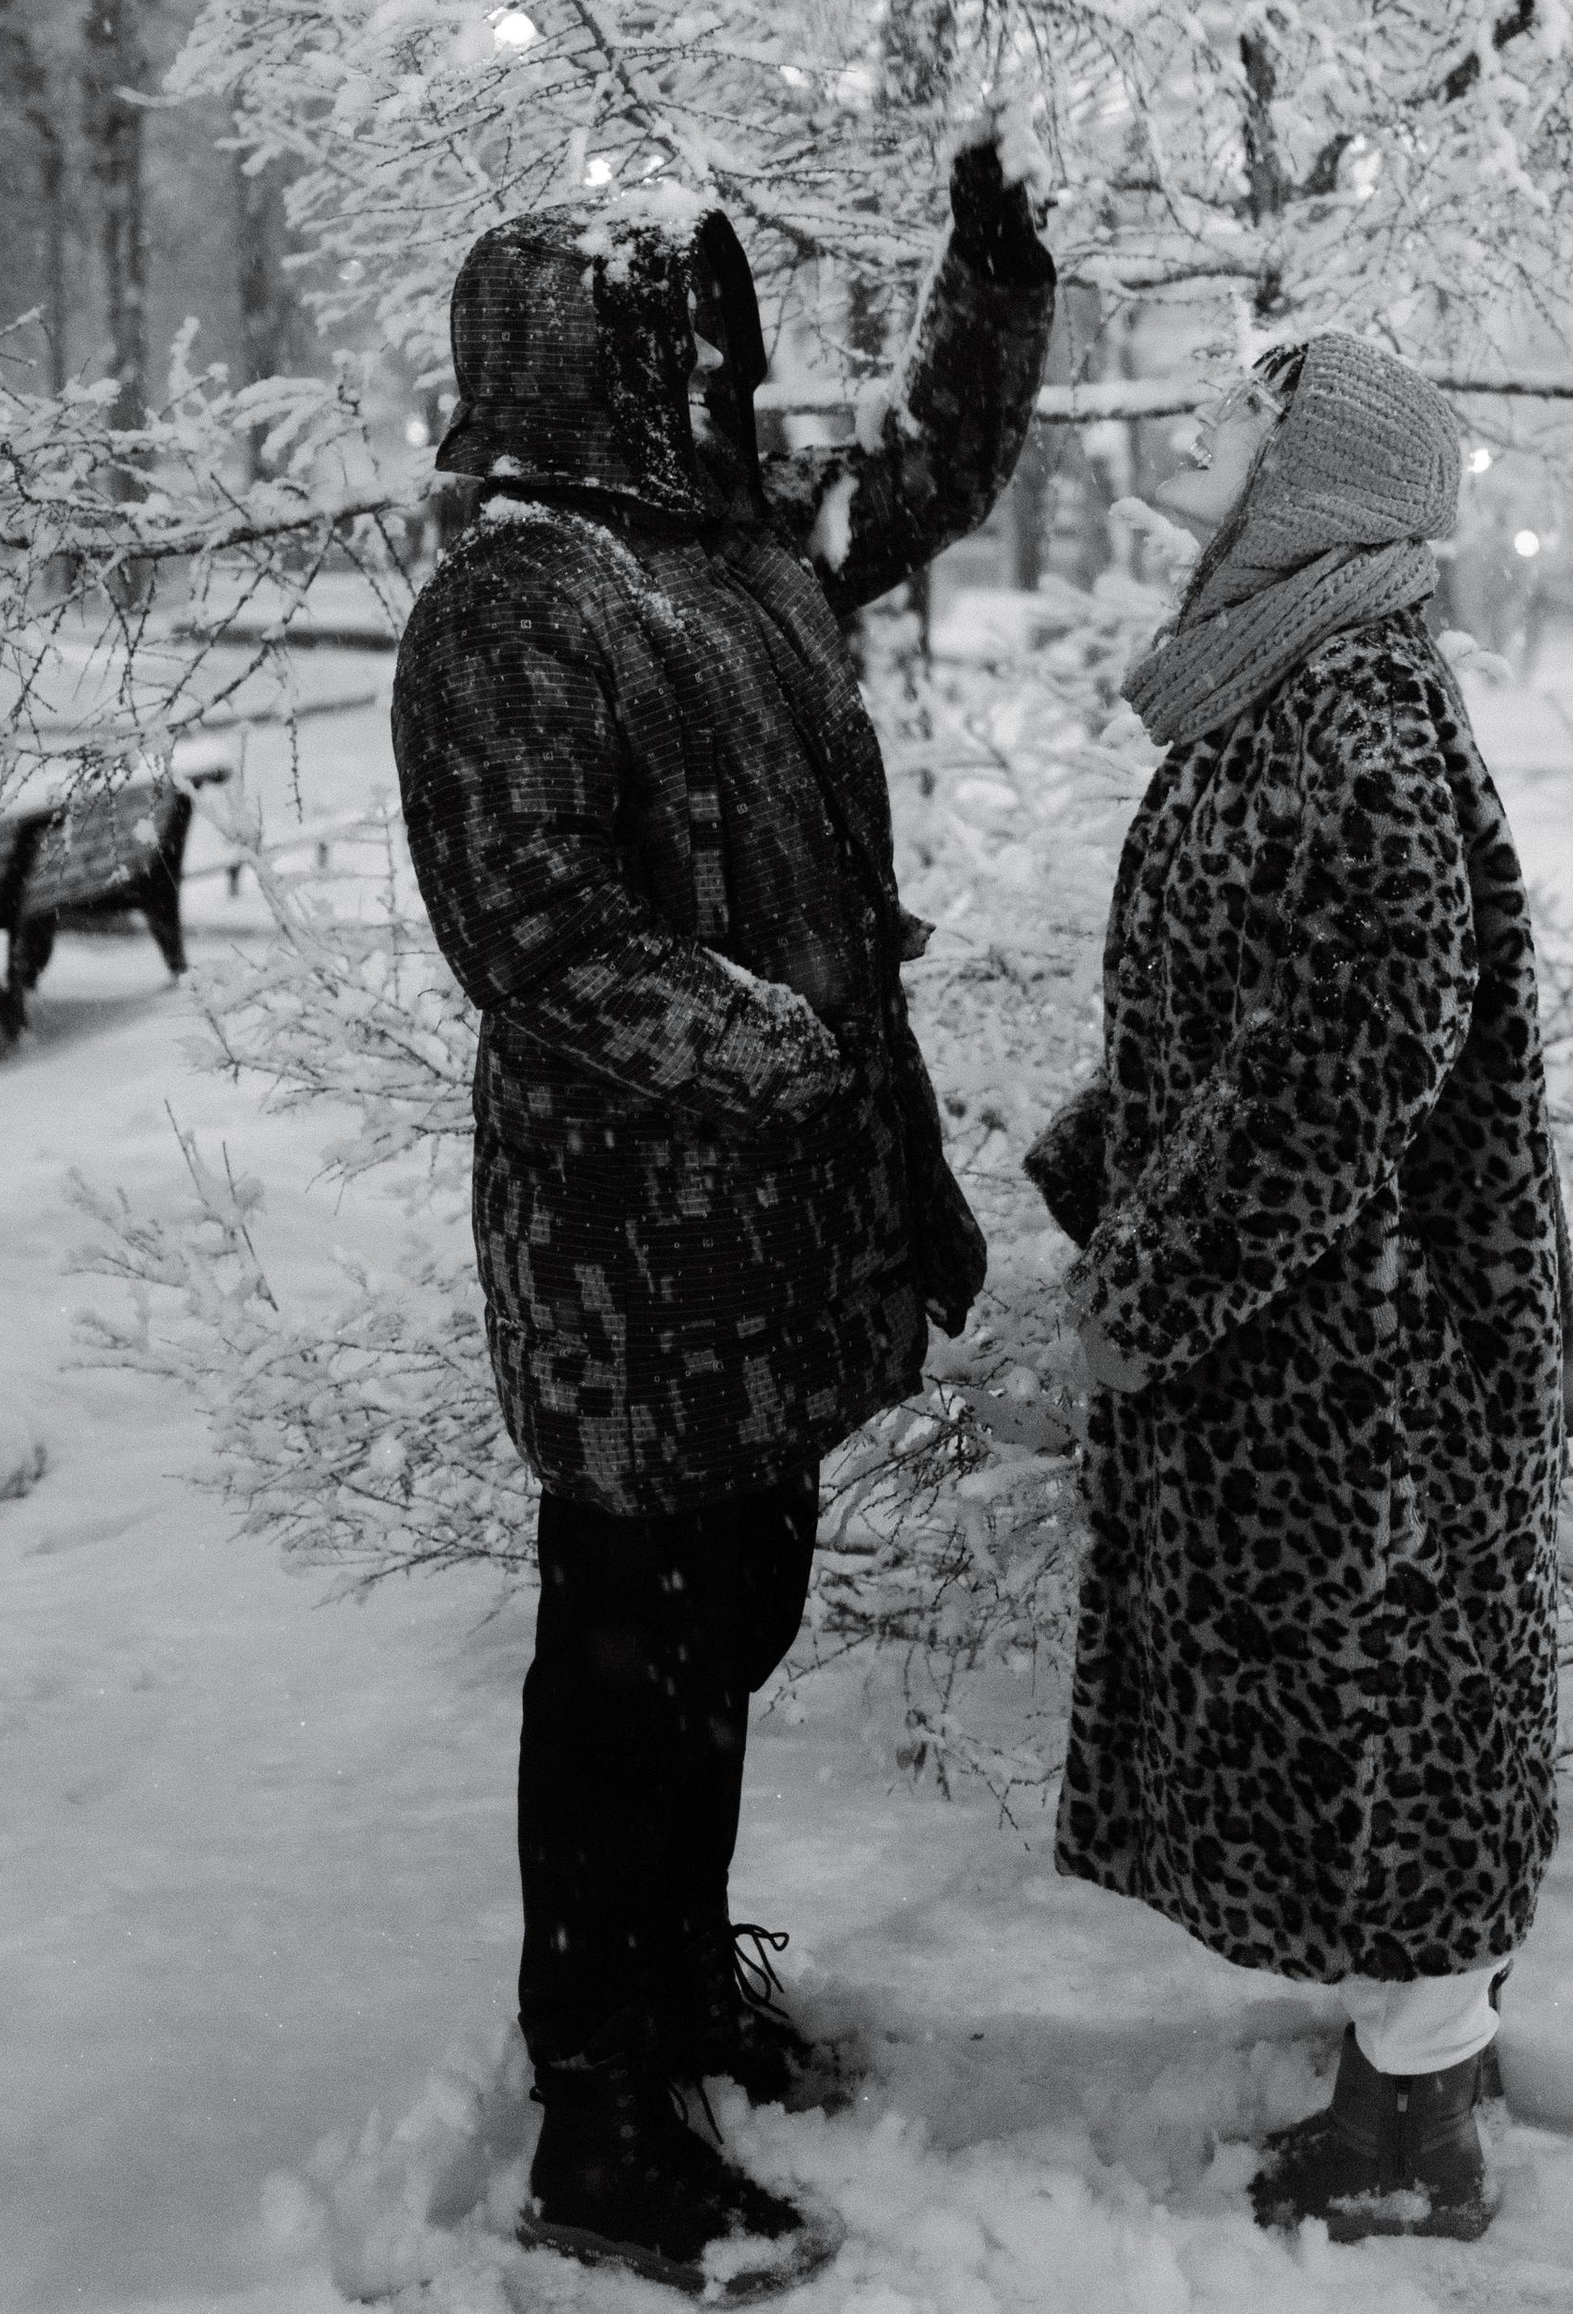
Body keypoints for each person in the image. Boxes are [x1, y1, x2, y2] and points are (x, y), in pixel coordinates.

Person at [392, 129, 1052, 2296]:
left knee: (721, 1639)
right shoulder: (518, 600)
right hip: (627, 1269)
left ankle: (674, 2001)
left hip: (765, 1255)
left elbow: (932, 478)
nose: (717, 375)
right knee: (624, 1672)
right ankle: (599, 2118)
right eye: (678, 337)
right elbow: (538, 936)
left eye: (722, 336)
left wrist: (993, 261)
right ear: (585, 352)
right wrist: (775, 1047)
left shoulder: (741, 559)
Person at [1025, 334, 1573, 2248]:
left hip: (1373, 1353)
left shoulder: (1350, 706)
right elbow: (1251, 1020)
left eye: (1243, 412)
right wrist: (1105, 1169)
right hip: (1323, 1329)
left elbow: (1345, 1059)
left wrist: (1138, 1289)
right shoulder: (1285, 689)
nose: (1188, 422)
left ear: (1317, 483)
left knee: (1389, 1723)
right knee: (1382, 1712)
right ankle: (1423, 2060)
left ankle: (1420, 2136)